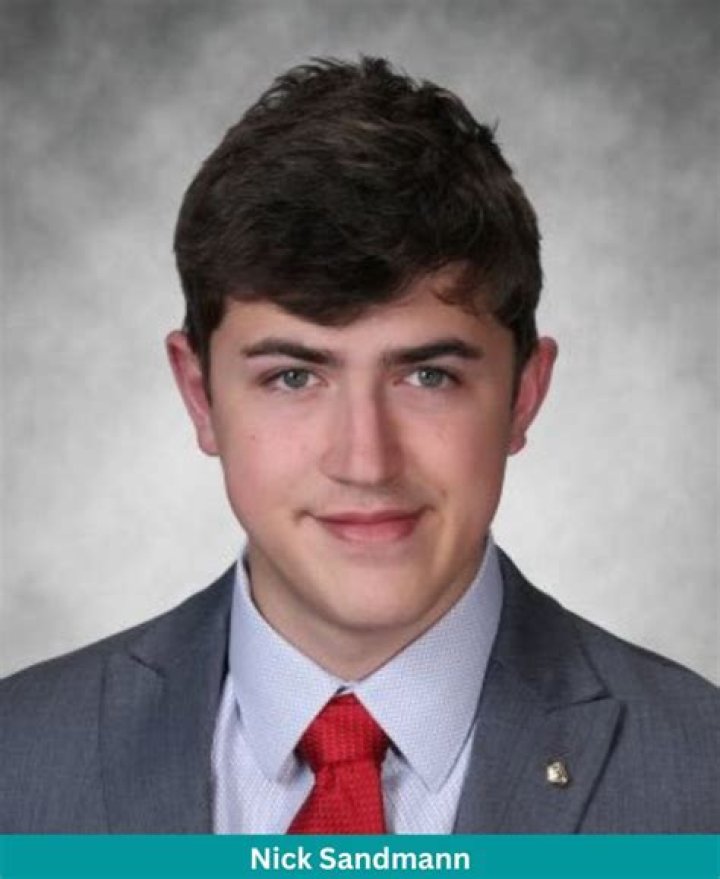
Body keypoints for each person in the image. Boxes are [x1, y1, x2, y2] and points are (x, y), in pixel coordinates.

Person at [1, 56, 717, 834]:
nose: (366, 461)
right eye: (294, 377)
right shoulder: (19, 759)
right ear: (200, 395)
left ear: (524, 393)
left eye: (429, 376)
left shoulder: (700, 775)